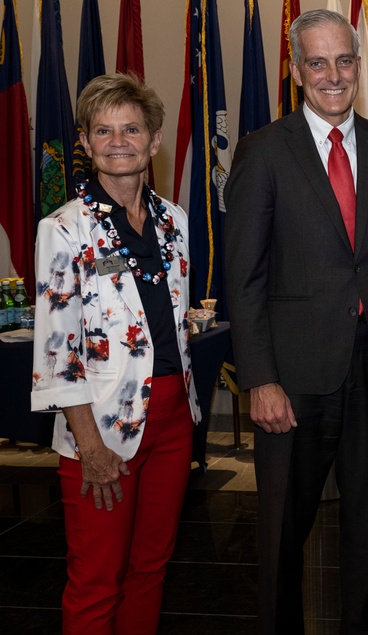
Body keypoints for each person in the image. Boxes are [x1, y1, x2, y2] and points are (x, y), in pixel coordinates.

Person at [225, 9, 368, 634]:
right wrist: (259, 378)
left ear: (357, 65)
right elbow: (244, 279)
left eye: (344, 60)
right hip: (293, 376)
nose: (334, 75)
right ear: (296, 71)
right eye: (318, 62)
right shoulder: (264, 151)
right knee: (286, 529)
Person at [31, 73, 200, 634]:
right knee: (97, 575)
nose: (118, 140)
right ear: (85, 143)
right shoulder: (63, 229)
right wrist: (89, 446)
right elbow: (57, 351)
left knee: (151, 566)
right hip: (101, 426)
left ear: (155, 140)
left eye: (131, 128)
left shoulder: (174, 222)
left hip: (175, 418)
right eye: (103, 130)